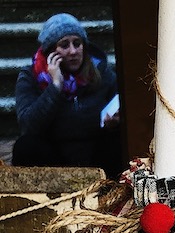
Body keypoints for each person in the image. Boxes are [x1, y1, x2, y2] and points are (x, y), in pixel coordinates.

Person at [12, 13, 122, 178]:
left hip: (96, 156)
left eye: (77, 43)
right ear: (50, 52)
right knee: (25, 146)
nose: (73, 51)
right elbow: (28, 126)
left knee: (119, 139)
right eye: (64, 45)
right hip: (55, 160)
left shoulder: (102, 73)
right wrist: (55, 87)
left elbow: (121, 107)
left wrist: (115, 123)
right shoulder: (30, 77)